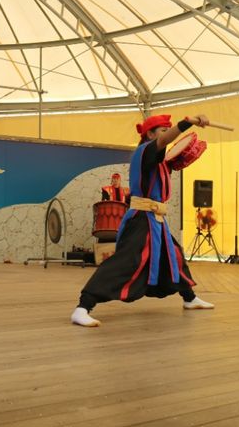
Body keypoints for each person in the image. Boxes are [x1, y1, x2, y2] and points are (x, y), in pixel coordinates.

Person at [71, 114, 215, 327]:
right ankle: (83, 307)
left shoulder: (159, 159)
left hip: (155, 218)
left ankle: (189, 297)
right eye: (163, 131)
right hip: (141, 218)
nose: (168, 135)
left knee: (174, 255)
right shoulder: (145, 151)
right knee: (126, 261)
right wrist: (188, 122)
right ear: (150, 134)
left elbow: (171, 154)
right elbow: (165, 142)